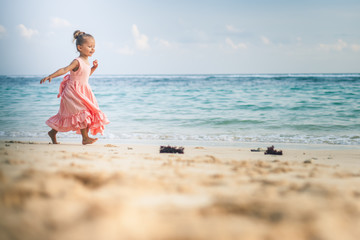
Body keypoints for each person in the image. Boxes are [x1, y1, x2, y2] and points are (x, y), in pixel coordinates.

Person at [40, 30, 109, 145]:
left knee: (81, 114)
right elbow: (64, 69)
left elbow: (85, 76)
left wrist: (93, 68)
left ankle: (53, 132)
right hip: (73, 92)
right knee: (83, 113)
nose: (92, 49)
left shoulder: (86, 61)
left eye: (94, 47)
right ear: (80, 48)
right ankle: (85, 138)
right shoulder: (77, 61)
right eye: (90, 46)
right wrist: (50, 76)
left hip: (83, 91)